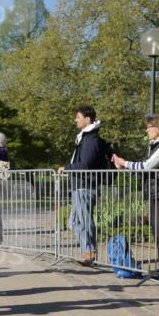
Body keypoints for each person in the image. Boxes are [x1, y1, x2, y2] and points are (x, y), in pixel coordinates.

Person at [112, 114, 159, 277]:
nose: (146, 130)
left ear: (158, 129)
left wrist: (124, 163)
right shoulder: (155, 146)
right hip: (156, 193)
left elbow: (147, 166)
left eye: (149, 127)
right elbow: (144, 167)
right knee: (158, 231)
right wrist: (125, 166)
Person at [59, 106, 111, 266]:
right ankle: (89, 251)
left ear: (87, 120)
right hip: (79, 185)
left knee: (84, 220)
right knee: (74, 222)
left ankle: (90, 253)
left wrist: (66, 168)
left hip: (85, 185)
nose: (75, 120)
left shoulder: (91, 140)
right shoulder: (85, 138)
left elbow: (86, 164)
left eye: (78, 117)